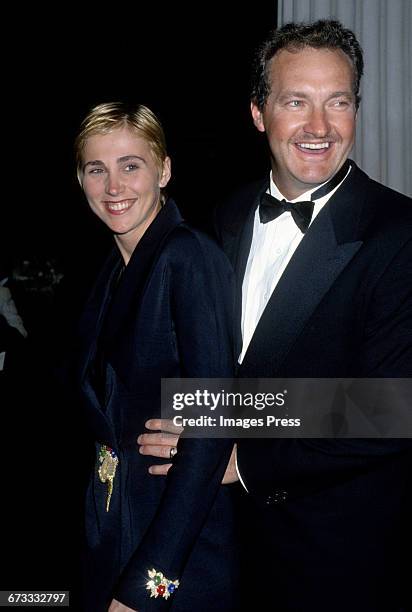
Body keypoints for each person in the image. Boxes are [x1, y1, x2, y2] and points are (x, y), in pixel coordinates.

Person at [139, 20, 412, 612]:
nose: (320, 127)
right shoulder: (229, 215)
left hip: (338, 561)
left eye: (337, 102)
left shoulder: (400, 234)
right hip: (223, 546)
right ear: (260, 113)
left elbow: (389, 406)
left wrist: (241, 454)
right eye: (297, 102)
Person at [74, 102, 239, 611]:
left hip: (176, 558)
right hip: (117, 530)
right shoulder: (114, 268)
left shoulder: (187, 256)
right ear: (79, 180)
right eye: (96, 169)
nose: (113, 186)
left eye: (131, 165)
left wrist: (148, 589)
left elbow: (213, 427)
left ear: (163, 170)